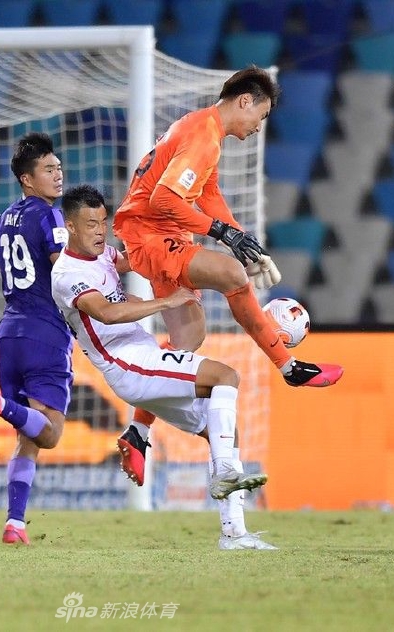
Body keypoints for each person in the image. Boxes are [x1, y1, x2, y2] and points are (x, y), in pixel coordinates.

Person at [113, 65, 344, 486]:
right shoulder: (202, 134)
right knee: (231, 275)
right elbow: (164, 199)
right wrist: (223, 235)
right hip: (152, 234)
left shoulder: (205, 131)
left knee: (188, 339)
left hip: (157, 233)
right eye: (262, 115)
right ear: (245, 101)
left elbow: (209, 193)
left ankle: (137, 431)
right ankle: (288, 365)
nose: (259, 126)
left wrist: (241, 236)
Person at [52, 185, 277, 550]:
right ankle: (221, 472)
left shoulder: (104, 255)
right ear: (71, 226)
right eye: (90, 224)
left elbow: (135, 262)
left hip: (142, 358)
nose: (100, 231)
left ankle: (234, 534)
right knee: (225, 376)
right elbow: (106, 312)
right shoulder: (66, 274)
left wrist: (180, 252)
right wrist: (165, 302)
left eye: (104, 222)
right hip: (128, 366)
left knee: (224, 434)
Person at [0, 132, 71, 546]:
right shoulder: (50, 216)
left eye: (59, 167)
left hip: (9, 335)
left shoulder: (3, 219)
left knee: (27, 437)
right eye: (48, 169)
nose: (58, 175)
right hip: (45, 332)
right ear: (27, 180)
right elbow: (62, 266)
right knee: (50, 433)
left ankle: (15, 522)